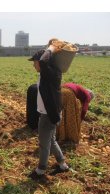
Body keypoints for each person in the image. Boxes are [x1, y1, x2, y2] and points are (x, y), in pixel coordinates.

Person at [28, 46, 69, 180]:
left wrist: (50, 48)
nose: (34, 65)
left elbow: (44, 62)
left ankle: (41, 170)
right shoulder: (49, 73)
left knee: (44, 144)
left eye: (35, 62)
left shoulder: (51, 73)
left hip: (48, 115)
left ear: (40, 62)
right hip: (49, 113)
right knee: (50, 140)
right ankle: (62, 164)